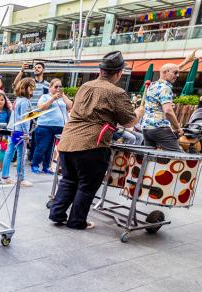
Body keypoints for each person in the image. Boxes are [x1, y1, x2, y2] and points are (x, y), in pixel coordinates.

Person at [49, 51, 145, 230]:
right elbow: (129, 121)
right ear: (119, 72)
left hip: (68, 140)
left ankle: (57, 214)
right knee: (87, 185)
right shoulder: (117, 92)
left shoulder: (85, 85)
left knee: (69, 180)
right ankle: (77, 221)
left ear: (101, 70)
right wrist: (139, 112)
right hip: (92, 144)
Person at [32, 78, 72, 174]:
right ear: (50, 87)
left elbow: (70, 106)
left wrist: (63, 96)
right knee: (42, 147)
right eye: (56, 87)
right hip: (45, 126)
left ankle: (47, 167)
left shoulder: (62, 98)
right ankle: (35, 165)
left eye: (60, 86)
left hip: (59, 127)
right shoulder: (45, 96)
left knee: (52, 150)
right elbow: (41, 107)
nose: (58, 88)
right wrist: (53, 98)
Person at [140, 63, 184, 151]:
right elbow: (168, 111)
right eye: (175, 73)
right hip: (159, 128)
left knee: (148, 157)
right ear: (164, 72)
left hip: (146, 128)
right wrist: (178, 128)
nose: (177, 75)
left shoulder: (152, 85)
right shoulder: (165, 88)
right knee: (177, 157)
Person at [2, 78, 35, 187]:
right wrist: (26, 134)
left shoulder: (19, 99)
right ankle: (20, 178)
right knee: (21, 155)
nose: (33, 89)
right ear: (26, 87)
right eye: (31, 87)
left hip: (14, 129)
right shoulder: (25, 101)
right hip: (20, 131)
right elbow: (24, 119)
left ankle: (5, 176)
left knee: (9, 152)